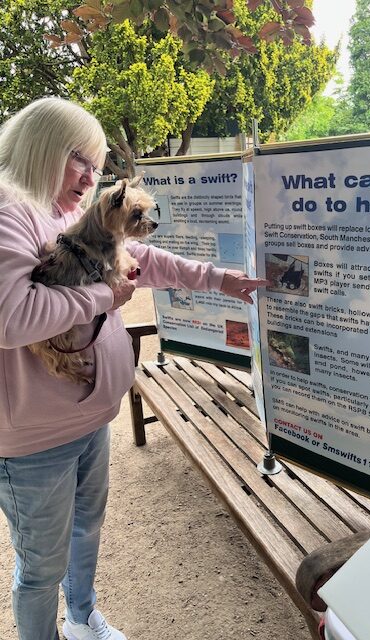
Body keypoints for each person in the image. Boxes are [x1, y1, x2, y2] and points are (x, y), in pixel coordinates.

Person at [0, 97, 267, 640]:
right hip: (33, 441)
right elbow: (12, 317)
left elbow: (143, 262)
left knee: (85, 532)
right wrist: (105, 297)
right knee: (40, 568)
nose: (91, 176)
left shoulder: (67, 213)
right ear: (44, 146)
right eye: (82, 160)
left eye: (96, 165)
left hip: (91, 418)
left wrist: (219, 280)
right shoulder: (10, 212)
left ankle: (79, 617)